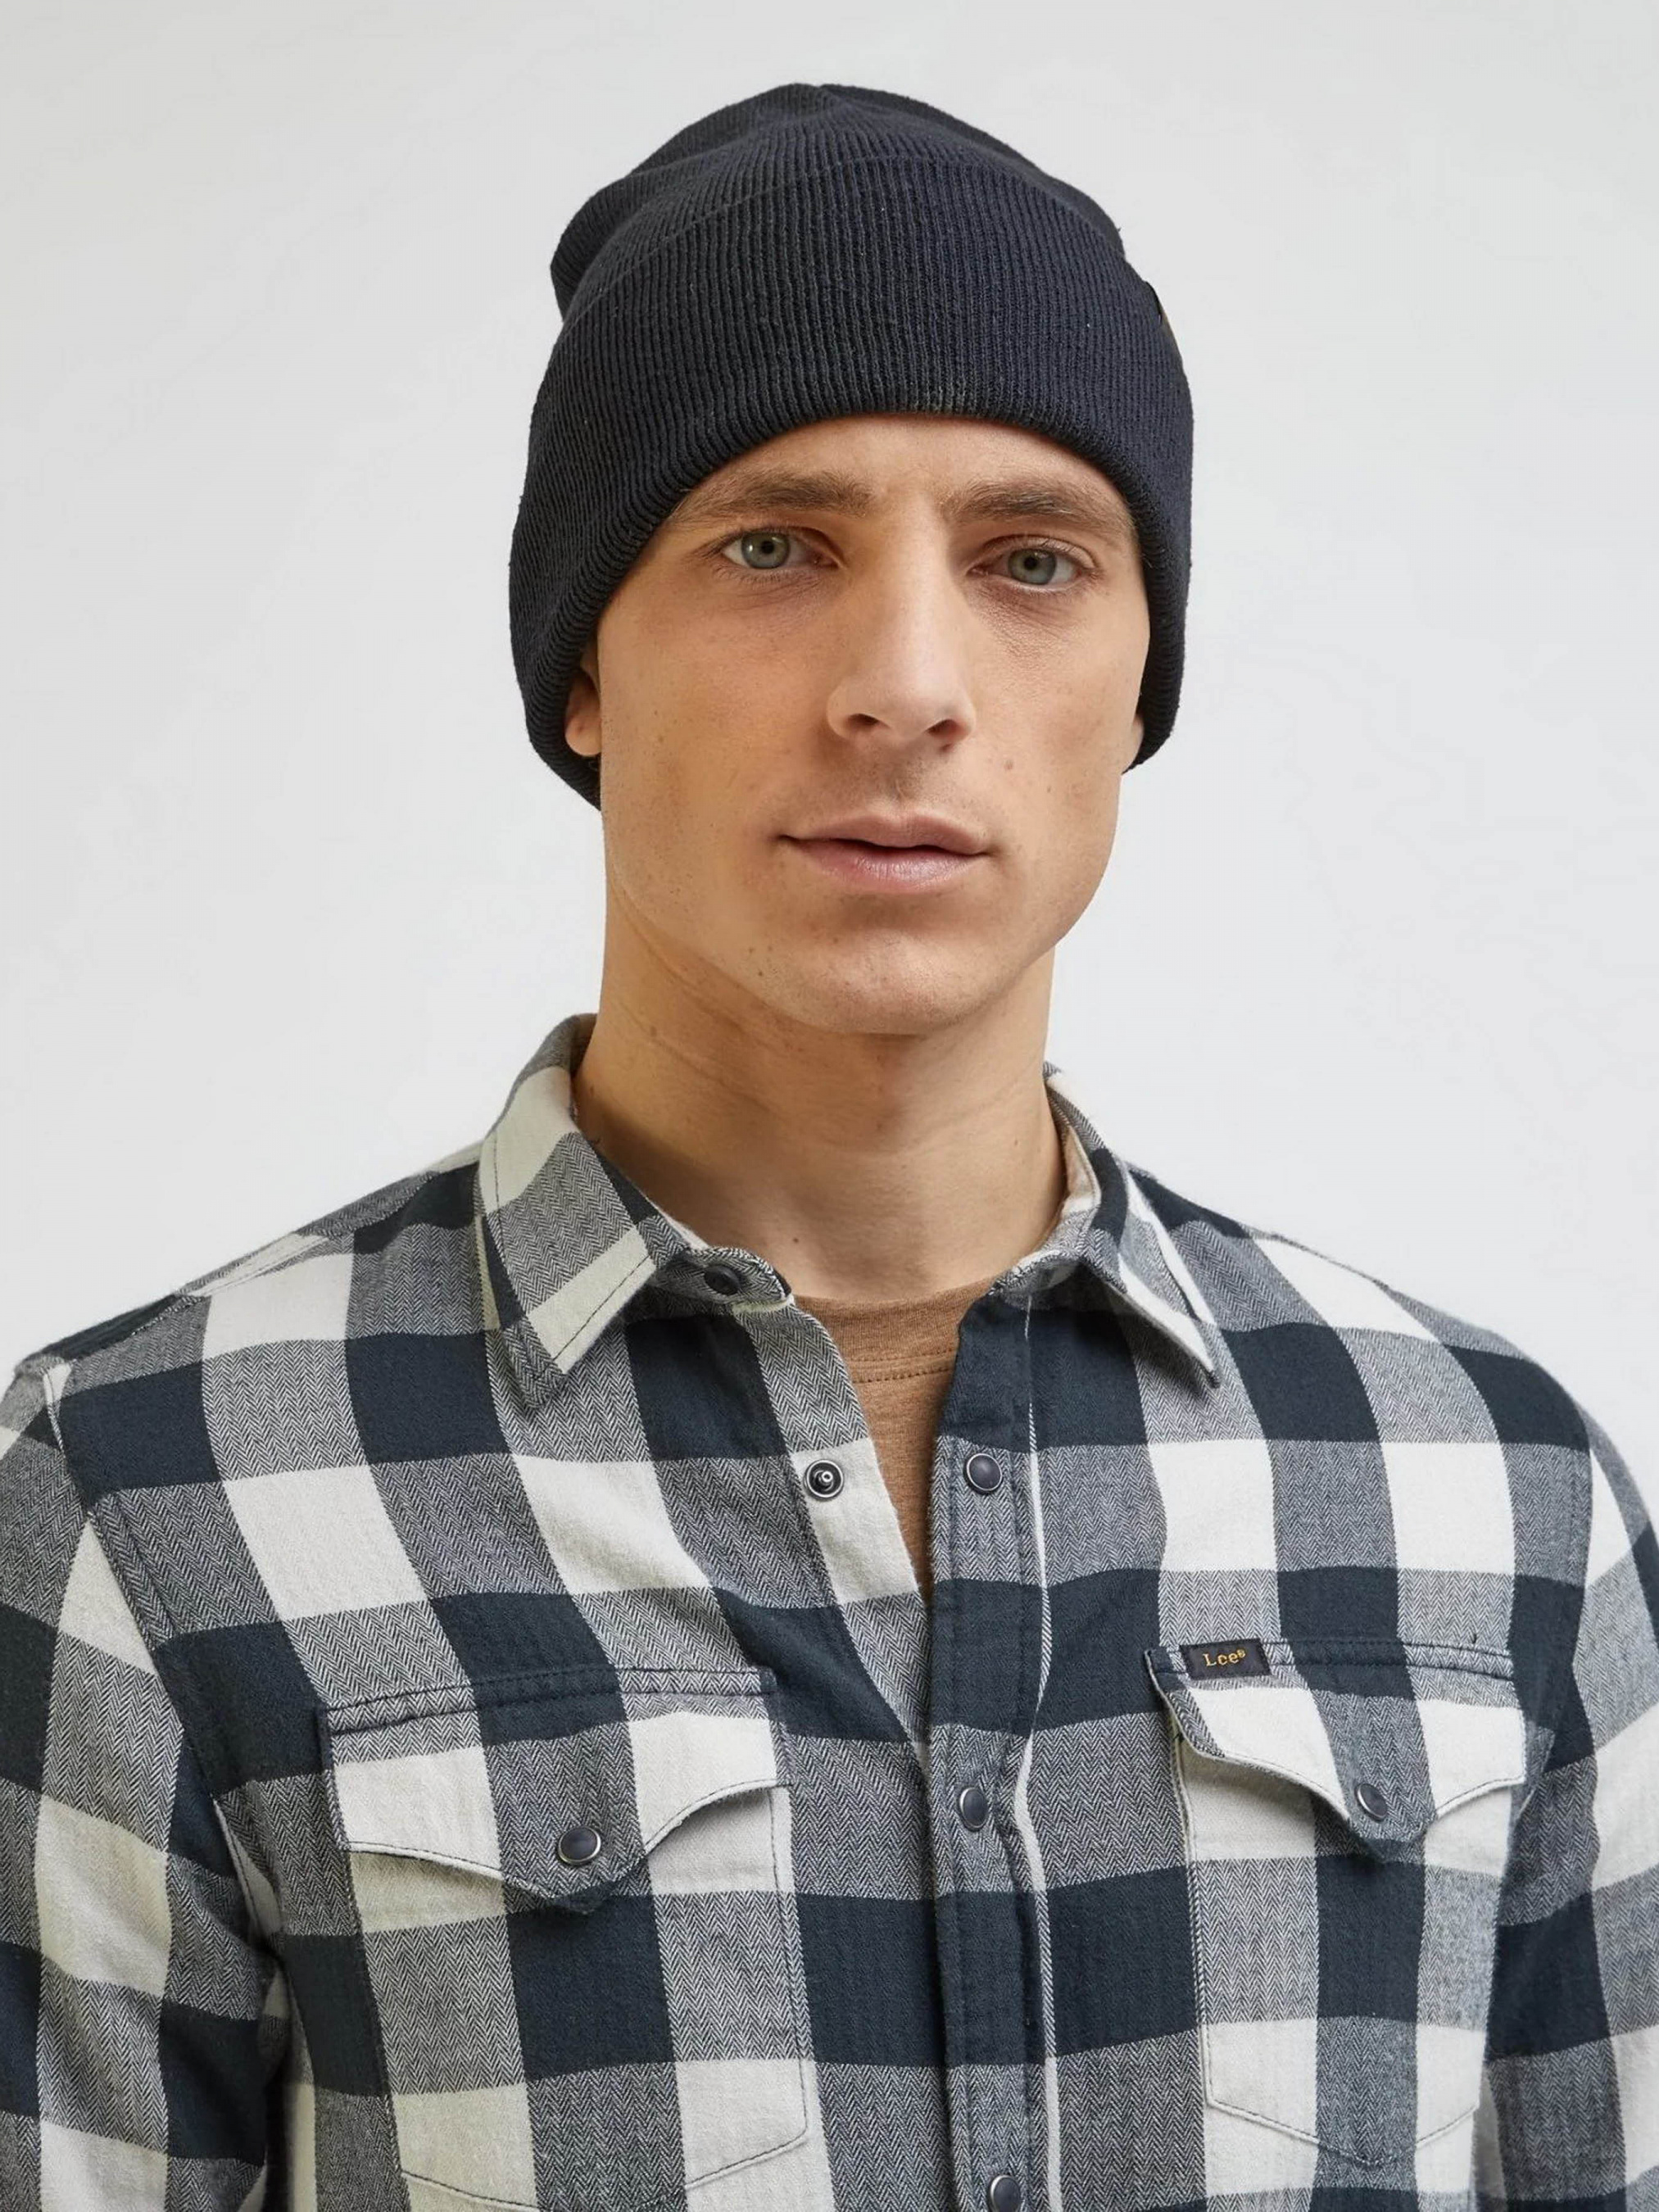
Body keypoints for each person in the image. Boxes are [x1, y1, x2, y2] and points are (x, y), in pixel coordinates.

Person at [1, 79, 1652, 2212]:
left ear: (1139, 677)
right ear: (582, 667)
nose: (904, 684)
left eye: (1033, 560)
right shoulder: (147, 1500)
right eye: (772, 546)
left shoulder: (1494, 1499)